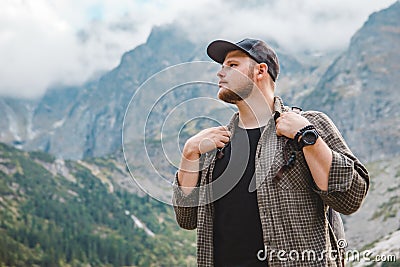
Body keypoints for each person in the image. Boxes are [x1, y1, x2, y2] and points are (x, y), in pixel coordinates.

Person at [173, 38, 369, 267]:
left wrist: (308, 138)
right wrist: (188, 154)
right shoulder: (215, 144)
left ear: (260, 70)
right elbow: (187, 219)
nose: (220, 73)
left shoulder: (310, 125)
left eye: (232, 65)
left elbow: (351, 198)